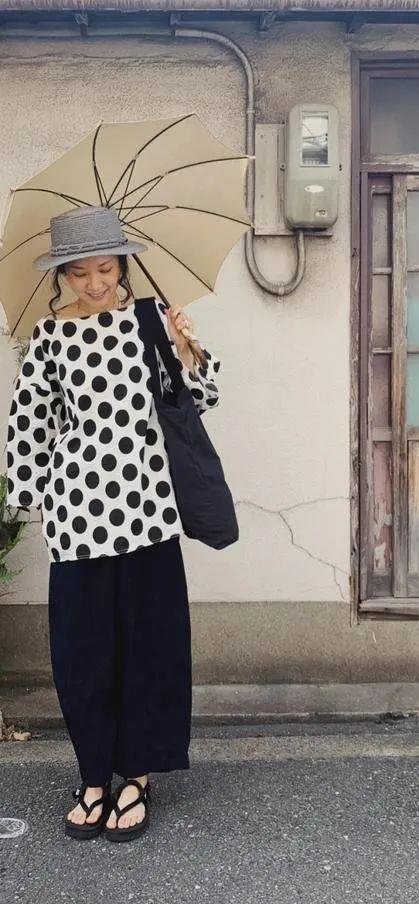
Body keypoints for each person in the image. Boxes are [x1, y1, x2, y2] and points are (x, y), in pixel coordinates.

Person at [4, 205, 222, 841]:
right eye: (80, 273)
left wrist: (186, 350)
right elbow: (29, 424)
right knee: (83, 653)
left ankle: (137, 776)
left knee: (150, 648)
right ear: (61, 275)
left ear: (122, 266)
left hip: (148, 510)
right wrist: (31, 501)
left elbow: (199, 400)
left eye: (105, 268)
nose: (96, 283)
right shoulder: (47, 339)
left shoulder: (150, 322)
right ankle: (94, 773)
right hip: (78, 515)